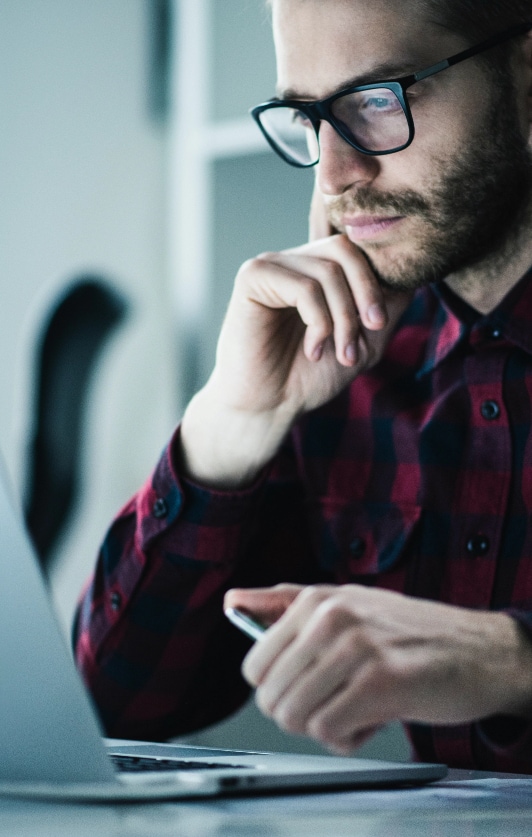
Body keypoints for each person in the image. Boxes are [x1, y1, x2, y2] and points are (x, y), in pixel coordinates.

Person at [74, 0, 532, 773]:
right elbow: (114, 705)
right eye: (309, 119)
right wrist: (232, 421)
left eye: (377, 101)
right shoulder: (352, 357)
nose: (335, 173)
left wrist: (509, 659)